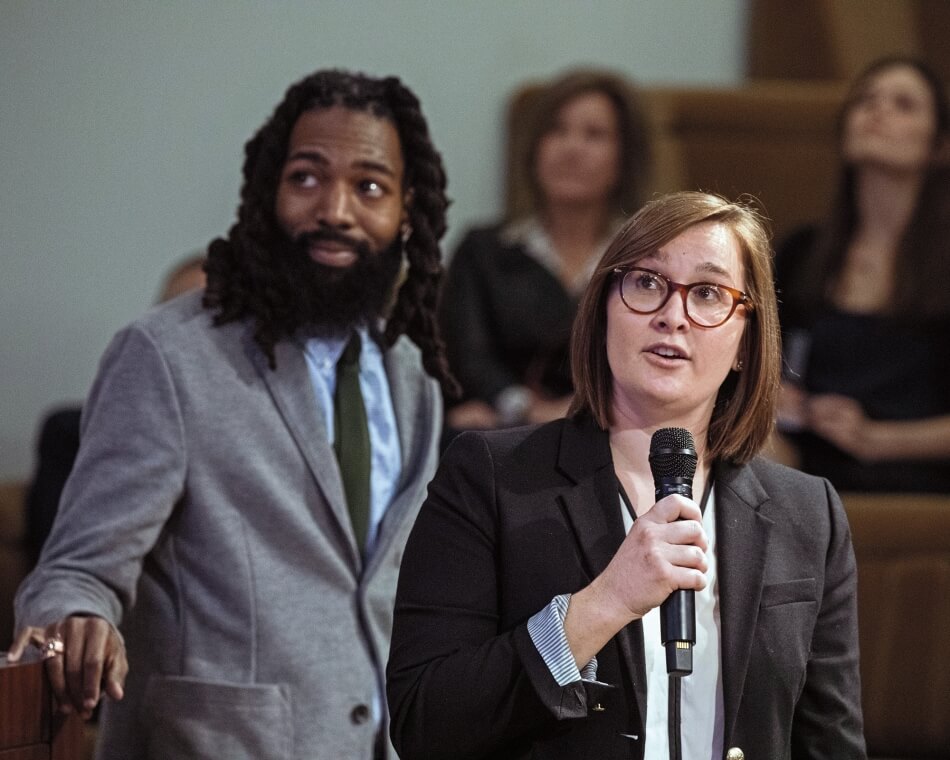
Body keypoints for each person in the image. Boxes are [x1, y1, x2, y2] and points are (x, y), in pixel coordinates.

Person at [9, 69, 452, 760]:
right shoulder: (167, 357)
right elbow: (78, 570)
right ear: (268, 190)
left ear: (406, 209)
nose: (335, 209)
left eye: (370, 187)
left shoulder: (413, 380)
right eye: (307, 177)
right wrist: (75, 619)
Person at [388, 191, 866, 759]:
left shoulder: (809, 513)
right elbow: (425, 721)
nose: (672, 314)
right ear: (604, 307)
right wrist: (605, 603)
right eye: (646, 283)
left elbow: (830, 743)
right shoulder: (491, 479)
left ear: (745, 339)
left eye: (709, 294)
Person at [773, 55, 950, 492]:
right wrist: (771, 397)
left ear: (940, 146)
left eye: (904, 104)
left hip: (916, 471)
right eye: (865, 100)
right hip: (804, 465)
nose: (877, 110)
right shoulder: (803, 251)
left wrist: (877, 440)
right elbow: (752, 360)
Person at [440, 68, 652, 431]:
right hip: (506, 429)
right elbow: (468, 357)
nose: (572, 147)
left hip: (619, 430)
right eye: (556, 130)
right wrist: (522, 407)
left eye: (594, 134)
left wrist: (590, 408)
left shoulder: (647, 256)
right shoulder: (484, 250)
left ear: (625, 157)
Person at [24, 252, 208, 564]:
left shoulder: (282, 442)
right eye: (176, 317)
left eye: (210, 320)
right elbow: (62, 563)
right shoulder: (73, 434)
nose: (191, 338)